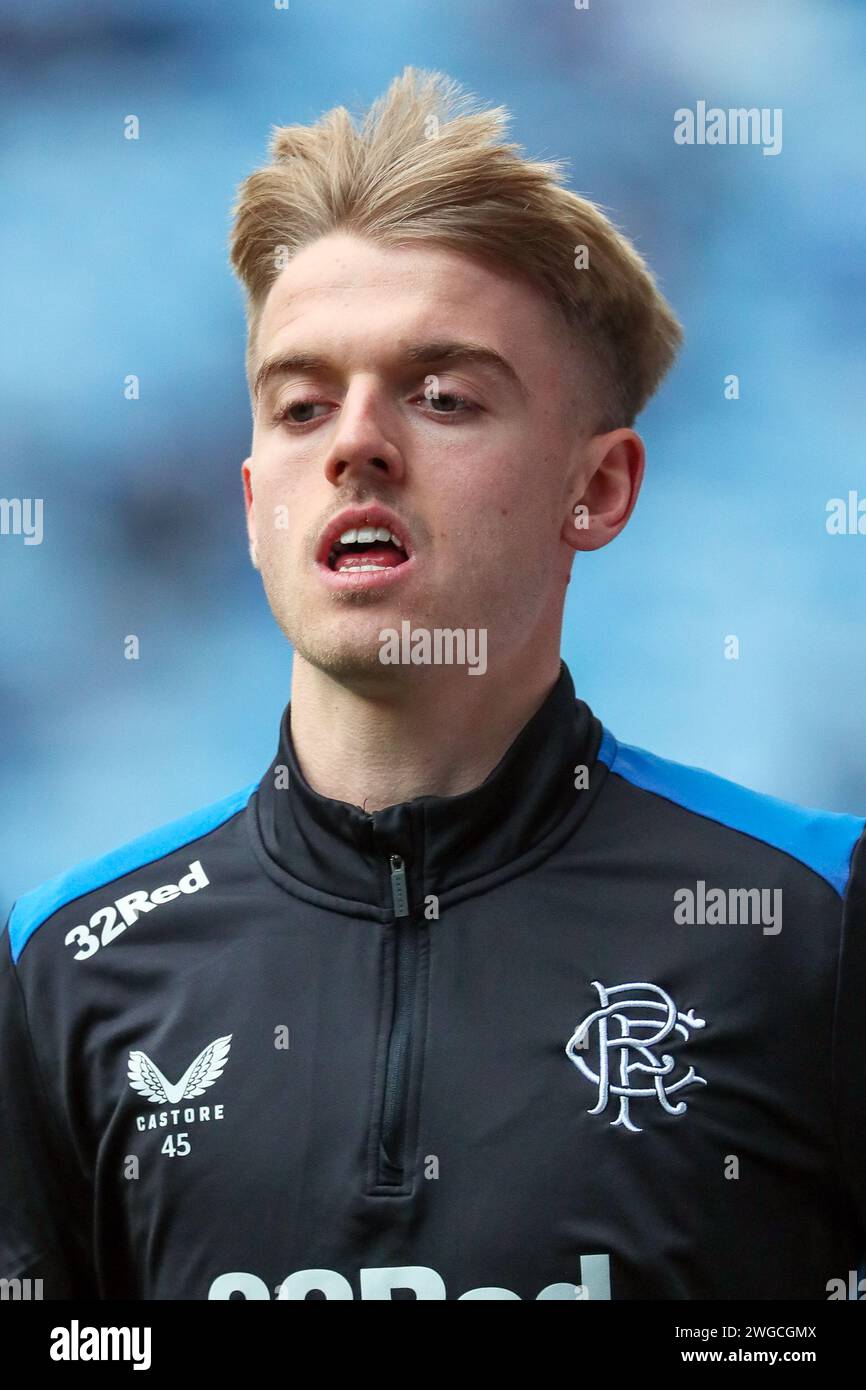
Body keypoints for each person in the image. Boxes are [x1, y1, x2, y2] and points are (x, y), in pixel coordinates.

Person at [2, 67, 864, 1302]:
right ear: (255, 506)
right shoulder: (64, 966)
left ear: (600, 489)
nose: (355, 440)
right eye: (300, 405)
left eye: (443, 395)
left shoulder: (815, 923)